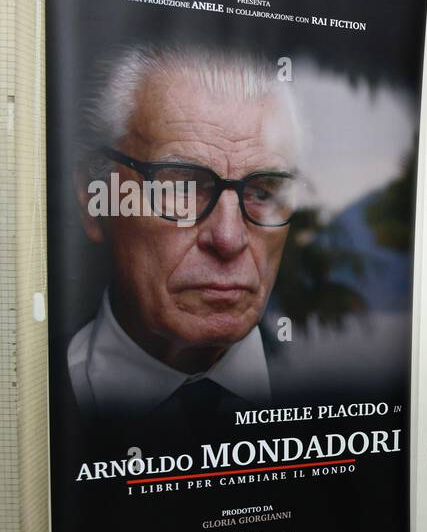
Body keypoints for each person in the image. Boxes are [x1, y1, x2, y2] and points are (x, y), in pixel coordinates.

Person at [69, 43, 302, 422]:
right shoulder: (29, 408)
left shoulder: (344, 386)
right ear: (95, 201)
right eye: (181, 188)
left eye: (262, 192)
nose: (229, 238)